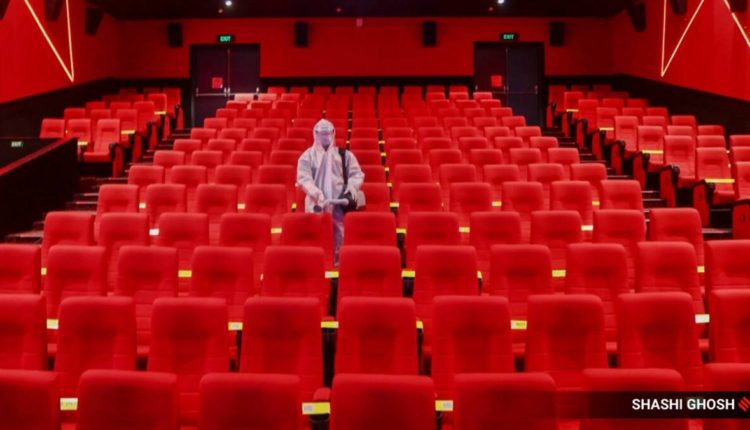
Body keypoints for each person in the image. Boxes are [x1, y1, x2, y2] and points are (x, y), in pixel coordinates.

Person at [297, 119, 364, 265]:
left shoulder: (344, 155)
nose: (325, 136)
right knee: (316, 237)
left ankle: (338, 269)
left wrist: (351, 187)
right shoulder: (307, 157)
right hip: (316, 205)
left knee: (339, 236)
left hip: (338, 204)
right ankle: (316, 267)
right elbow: (304, 179)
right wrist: (317, 194)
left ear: (333, 133)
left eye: (327, 133)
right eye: (321, 133)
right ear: (315, 134)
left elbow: (357, 174)